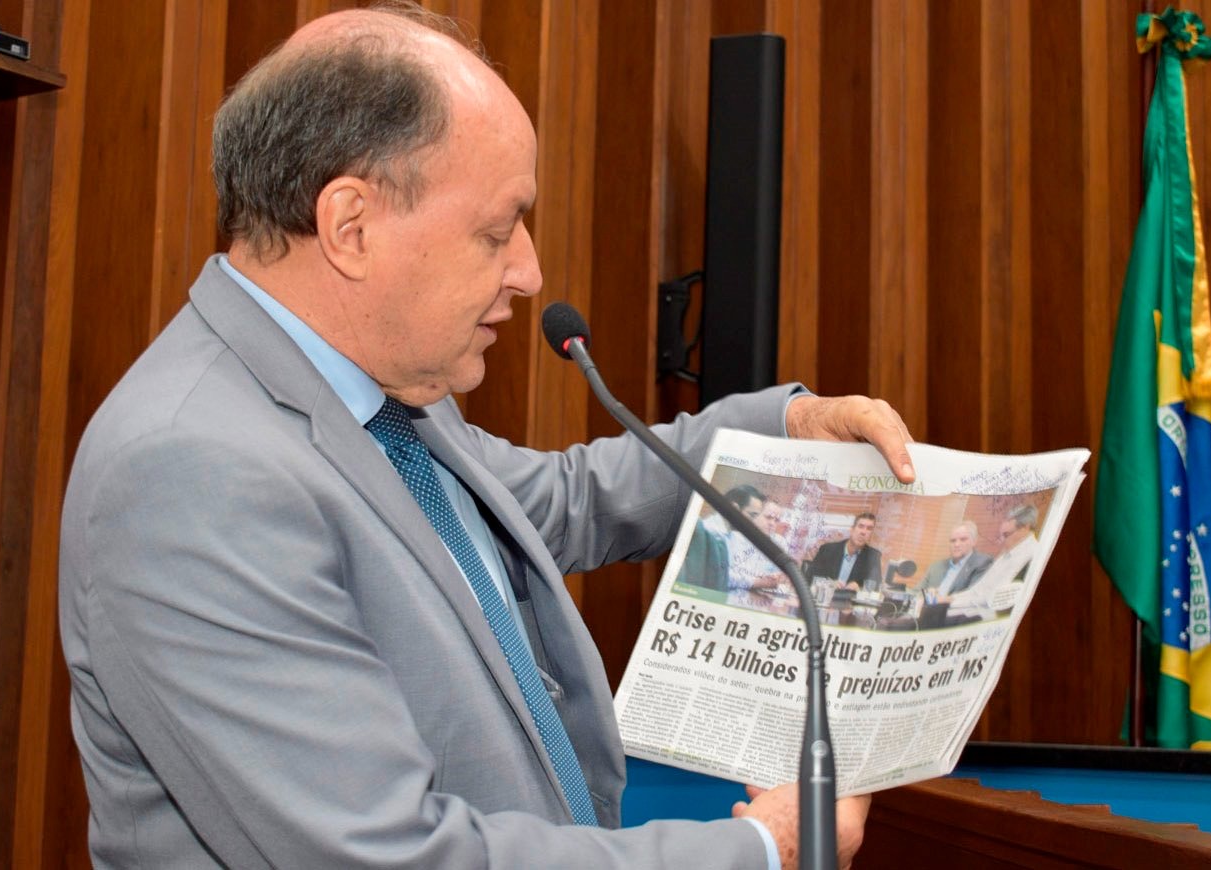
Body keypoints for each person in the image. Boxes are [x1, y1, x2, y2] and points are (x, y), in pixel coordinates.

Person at [57, 6, 915, 868]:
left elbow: (565, 499)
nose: (530, 273)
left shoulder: (382, 393)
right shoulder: (191, 470)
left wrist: (785, 426)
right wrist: (759, 851)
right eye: (497, 231)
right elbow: (385, 856)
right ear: (350, 226)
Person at [942, 505, 1040, 623]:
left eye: (1006, 535)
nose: (1002, 541)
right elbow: (977, 590)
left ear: (1025, 528)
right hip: (972, 610)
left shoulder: (1033, 555)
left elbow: (992, 598)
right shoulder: (1007, 555)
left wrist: (951, 602)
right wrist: (949, 599)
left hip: (988, 619)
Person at [679, 484, 766, 592]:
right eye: (752, 515)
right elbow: (716, 578)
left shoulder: (733, 536)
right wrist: (757, 582)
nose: (754, 522)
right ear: (734, 508)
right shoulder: (706, 532)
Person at [727, 496, 790, 592]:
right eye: (768, 517)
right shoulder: (736, 538)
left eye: (776, 520)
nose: (772, 523)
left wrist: (777, 581)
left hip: (761, 600)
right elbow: (724, 577)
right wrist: (758, 582)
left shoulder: (778, 543)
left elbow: (781, 585)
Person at [808, 512, 884, 591]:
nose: (863, 532)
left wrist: (860, 589)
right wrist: (829, 584)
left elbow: (875, 588)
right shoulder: (828, 550)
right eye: (860, 526)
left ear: (871, 534)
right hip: (825, 598)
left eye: (869, 529)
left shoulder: (873, 556)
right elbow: (809, 579)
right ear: (852, 530)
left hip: (850, 601)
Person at [917, 521, 991, 597]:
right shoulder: (936, 566)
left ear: (974, 541)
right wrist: (927, 595)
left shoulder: (982, 563)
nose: (956, 544)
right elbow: (916, 592)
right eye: (953, 541)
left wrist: (935, 599)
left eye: (963, 539)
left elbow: (971, 598)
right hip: (926, 607)